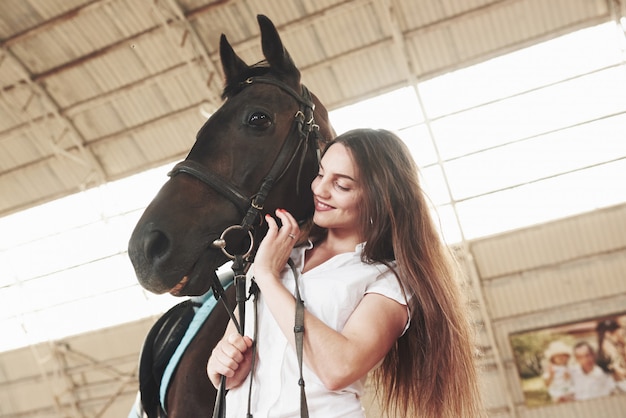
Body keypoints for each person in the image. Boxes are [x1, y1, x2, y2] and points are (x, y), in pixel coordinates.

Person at [206, 129, 485, 417]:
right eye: (321, 174)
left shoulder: (389, 279)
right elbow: (234, 352)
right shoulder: (279, 254)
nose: (320, 190)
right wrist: (221, 366)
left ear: (378, 199)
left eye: (341, 185)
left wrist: (266, 276)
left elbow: (338, 369)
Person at [596, 319, 626, 392]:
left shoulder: (615, 345)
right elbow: (618, 370)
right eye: (615, 331)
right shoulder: (608, 346)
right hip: (620, 384)